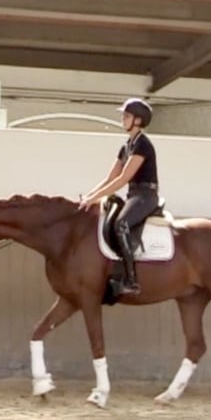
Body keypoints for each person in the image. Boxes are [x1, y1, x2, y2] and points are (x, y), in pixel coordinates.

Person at [79, 98, 160, 295]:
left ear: (138, 121)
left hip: (146, 196)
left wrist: (94, 198)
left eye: (127, 116)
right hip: (133, 195)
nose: (123, 119)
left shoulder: (143, 145)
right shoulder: (127, 147)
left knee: (121, 224)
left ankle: (131, 280)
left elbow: (124, 178)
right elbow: (110, 178)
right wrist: (89, 196)